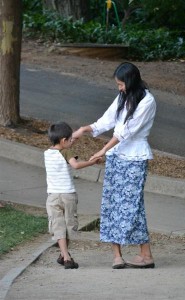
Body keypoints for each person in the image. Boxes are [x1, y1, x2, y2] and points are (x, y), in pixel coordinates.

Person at [72, 62, 156, 269]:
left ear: (131, 81)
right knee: (111, 205)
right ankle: (117, 256)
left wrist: (103, 150)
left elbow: (125, 131)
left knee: (132, 207)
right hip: (118, 157)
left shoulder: (147, 101)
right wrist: (83, 130)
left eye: (121, 84)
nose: (119, 88)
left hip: (135, 158)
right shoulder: (122, 97)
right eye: (117, 84)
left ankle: (146, 254)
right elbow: (106, 121)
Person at [44, 121, 101, 269]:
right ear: (64, 140)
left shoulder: (47, 153)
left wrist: (77, 134)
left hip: (52, 197)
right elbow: (75, 165)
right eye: (70, 139)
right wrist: (92, 162)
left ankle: (63, 255)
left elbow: (65, 145)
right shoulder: (66, 152)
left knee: (58, 225)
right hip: (67, 196)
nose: (72, 141)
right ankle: (67, 257)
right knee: (69, 225)